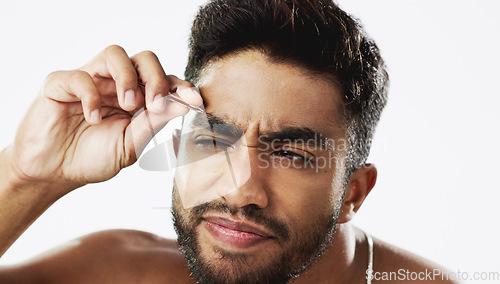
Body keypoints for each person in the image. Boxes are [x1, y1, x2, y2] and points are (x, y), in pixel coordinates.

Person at [0, 0, 460, 283]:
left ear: (353, 193)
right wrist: (26, 176)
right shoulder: (121, 272)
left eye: (291, 154)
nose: (240, 191)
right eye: (215, 138)